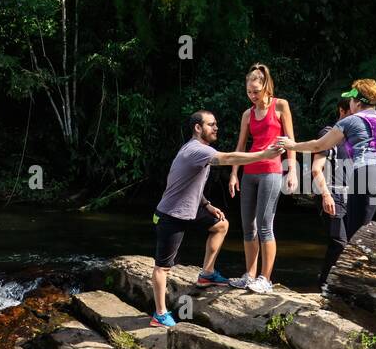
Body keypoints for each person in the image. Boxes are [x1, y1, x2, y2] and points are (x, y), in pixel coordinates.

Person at [150, 110, 287, 328]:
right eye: (211, 124)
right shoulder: (197, 150)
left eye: (216, 124)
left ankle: (207, 273)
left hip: (192, 209)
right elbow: (228, 158)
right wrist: (263, 155)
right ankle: (159, 314)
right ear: (198, 128)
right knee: (163, 267)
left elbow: (188, 184)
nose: (216, 128)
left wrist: (206, 205)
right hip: (171, 214)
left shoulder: (195, 150)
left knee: (221, 225)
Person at [278, 78, 376, 248]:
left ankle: (352, 274)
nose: (350, 103)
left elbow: (319, 145)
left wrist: (292, 145)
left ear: (356, 102)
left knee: (356, 237)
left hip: (368, 174)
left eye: (351, 99)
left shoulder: (350, 121)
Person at [227, 63, 298, 295]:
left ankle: (265, 278)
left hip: (271, 171)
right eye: (249, 92)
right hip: (249, 171)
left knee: (265, 225)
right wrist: (234, 173)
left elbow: (290, 140)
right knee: (248, 226)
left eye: (256, 91)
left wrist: (293, 171)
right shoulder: (247, 114)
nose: (252, 96)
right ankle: (249, 275)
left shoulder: (280, 105)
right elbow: (240, 146)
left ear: (266, 87)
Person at [311, 100, 354, 285]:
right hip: (332, 194)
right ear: (342, 111)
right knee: (339, 242)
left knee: (350, 243)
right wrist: (326, 195)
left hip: (352, 196)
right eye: (352, 113)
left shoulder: (355, 137)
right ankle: (324, 283)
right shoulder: (328, 134)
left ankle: (337, 283)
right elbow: (316, 168)